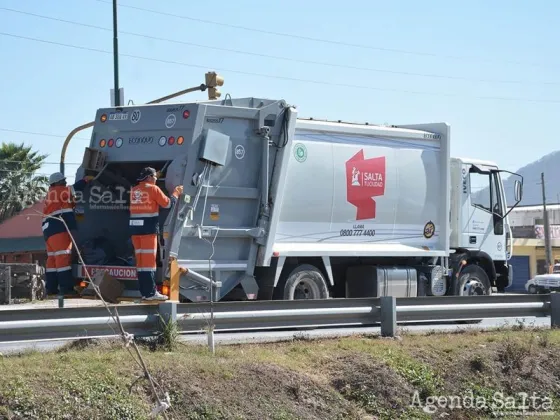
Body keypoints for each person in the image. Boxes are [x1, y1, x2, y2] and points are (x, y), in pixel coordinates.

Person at [129, 167, 183, 301]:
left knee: (141, 263)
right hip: (148, 230)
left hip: (135, 231)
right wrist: (176, 193)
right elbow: (167, 204)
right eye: (154, 177)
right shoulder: (153, 189)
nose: (156, 179)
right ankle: (151, 293)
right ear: (149, 177)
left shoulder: (134, 190)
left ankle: (144, 292)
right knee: (148, 263)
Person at [42, 172, 93, 296]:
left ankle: (52, 289)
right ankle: (66, 289)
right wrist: (85, 180)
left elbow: (66, 204)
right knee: (63, 257)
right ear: (57, 183)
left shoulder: (50, 195)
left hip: (48, 230)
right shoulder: (59, 191)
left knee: (53, 260)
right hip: (58, 228)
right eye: (63, 181)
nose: (65, 183)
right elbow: (74, 188)